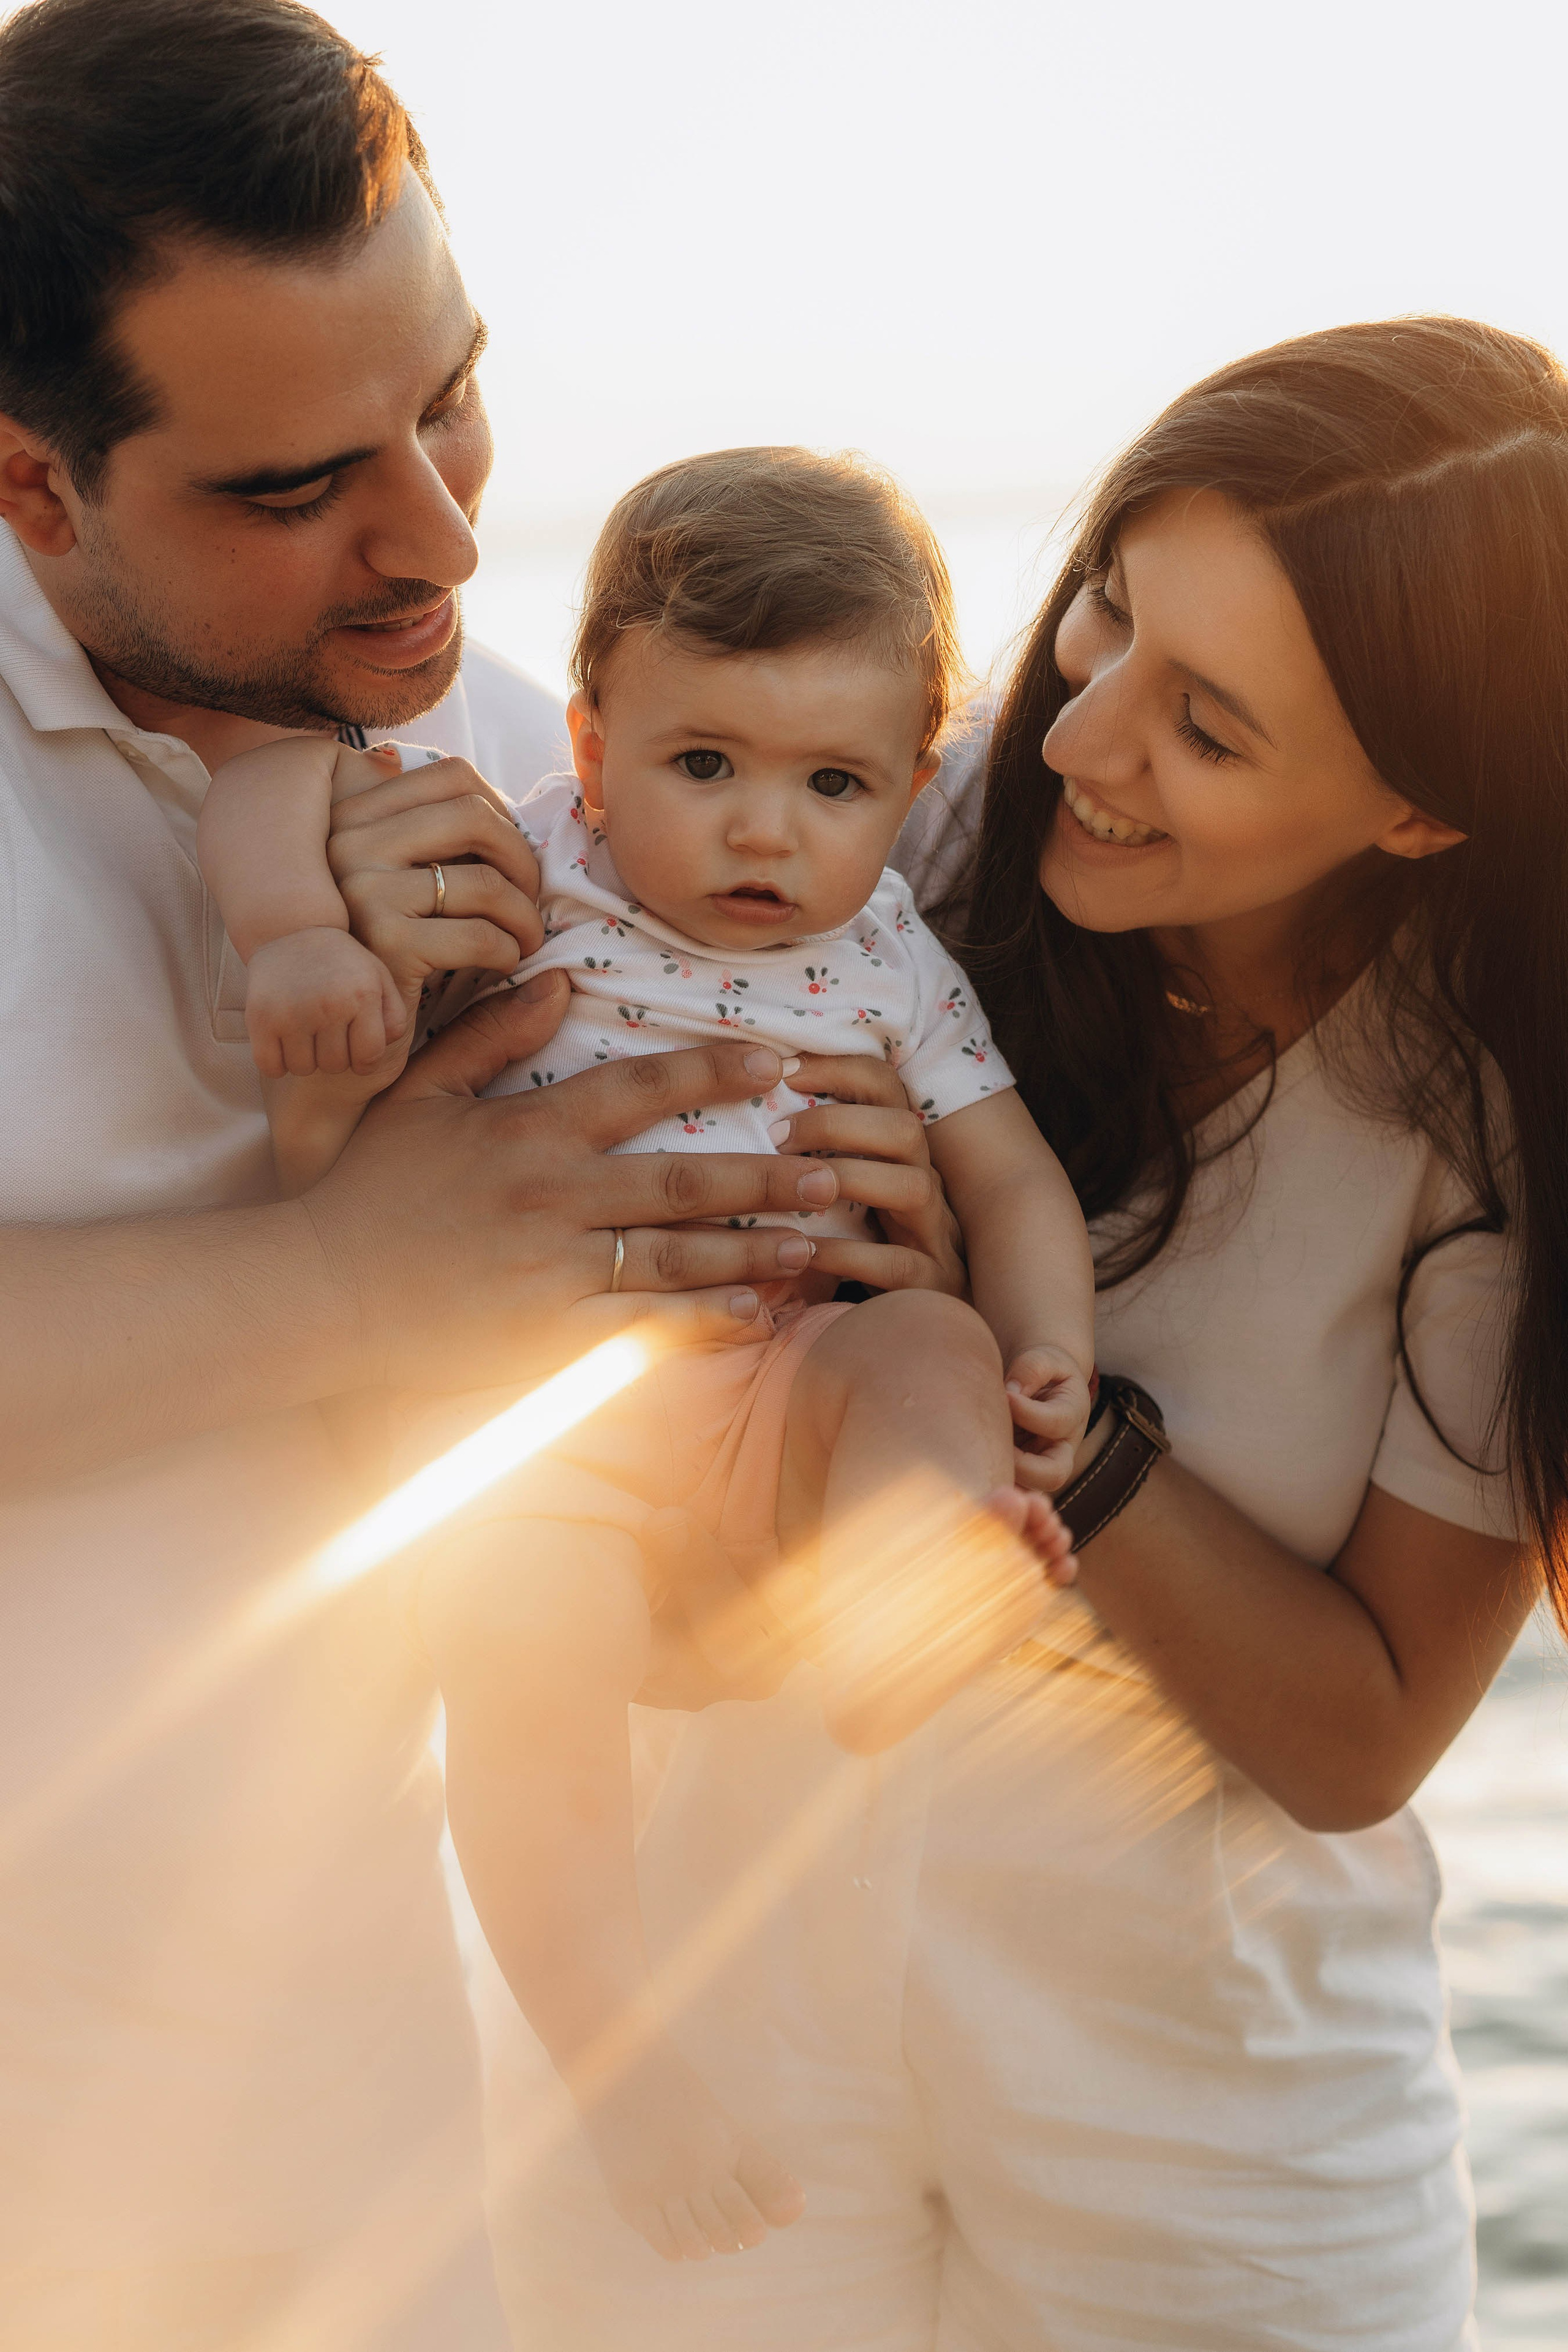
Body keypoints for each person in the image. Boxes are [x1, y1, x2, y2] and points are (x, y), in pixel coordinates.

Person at [0, 5, 963, 2345]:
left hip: (358, 2152)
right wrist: (347, 1277)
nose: (438, 530)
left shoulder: (532, 750)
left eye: (449, 398)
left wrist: (839, 1339)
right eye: (295, 481)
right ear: (35, 488)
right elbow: (384, 1320)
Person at [458, 319, 1558, 2350]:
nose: (1078, 740)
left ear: (1420, 811)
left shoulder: (1488, 1131)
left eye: (1206, 726)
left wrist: (1005, 1371)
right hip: (722, 2018)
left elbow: (1362, 1736)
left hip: (1209, 2112)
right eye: (1109, 618)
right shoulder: (868, 846)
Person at [198, 444, 1090, 2263]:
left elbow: (1009, 1173)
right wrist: (295, 937)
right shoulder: (542, 865)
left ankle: (902, 1596)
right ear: (596, 741)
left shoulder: (895, 960)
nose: (766, 833)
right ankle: (613, 2050)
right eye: (706, 767)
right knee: (524, 1654)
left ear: (910, 788)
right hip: (552, 1428)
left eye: (832, 784)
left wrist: (1050, 1352)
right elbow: (272, 782)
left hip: (779, 1394)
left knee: (924, 1339)